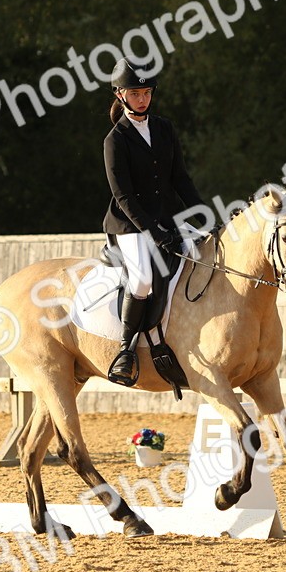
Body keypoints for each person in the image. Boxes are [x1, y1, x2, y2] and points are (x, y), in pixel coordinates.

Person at [102, 56, 207, 387]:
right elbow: (124, 197)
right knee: (143, 279)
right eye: (135, 94)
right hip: (129, 225)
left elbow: (181, 180)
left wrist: (205, 216)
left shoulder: (164, 128)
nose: (142, 99)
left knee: (203, 256)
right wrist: (154, 232)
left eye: (146, 93)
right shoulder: (115, 140)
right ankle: (126, 350)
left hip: (166, 220)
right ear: (121, 95)